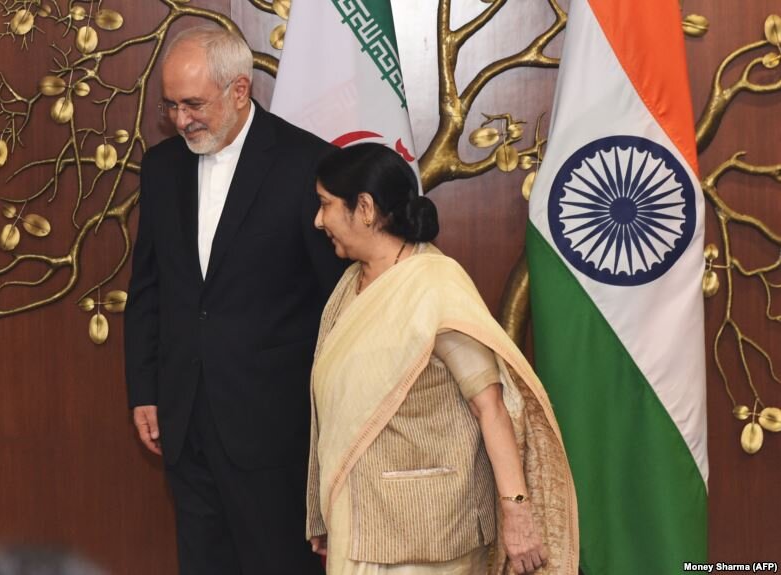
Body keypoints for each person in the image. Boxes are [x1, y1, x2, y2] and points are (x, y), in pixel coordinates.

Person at [124, 25, 346, 575]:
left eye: (194, 104)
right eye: (170, 105)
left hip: (275, 427)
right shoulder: (161, 168)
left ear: (240, 91)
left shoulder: (307, 165)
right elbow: (149, 288)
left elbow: (337, 300)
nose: (180, 120)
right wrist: (145, 389)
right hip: (185, 419)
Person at [306, 143, 578, 575]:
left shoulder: (434, 287)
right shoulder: (350, 285)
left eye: (326, 205)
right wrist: (321, 511)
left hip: (426, 535)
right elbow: (336, 410)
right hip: (359, 524)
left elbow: (490, 406)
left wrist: (517, 513)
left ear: (365, 208)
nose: (319, 220)